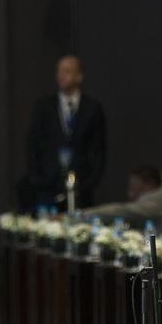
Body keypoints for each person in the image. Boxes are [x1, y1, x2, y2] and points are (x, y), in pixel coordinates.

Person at [26, 55, 106, 210]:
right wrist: (38, 178)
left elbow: (99, 149)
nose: (61, 76)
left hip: (82, 186)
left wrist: (90, 182)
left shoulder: (92, 108)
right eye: (59, 71)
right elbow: (32, 144)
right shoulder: (43, 106)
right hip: (48, 185)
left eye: (67, 71)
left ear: (79, 76)